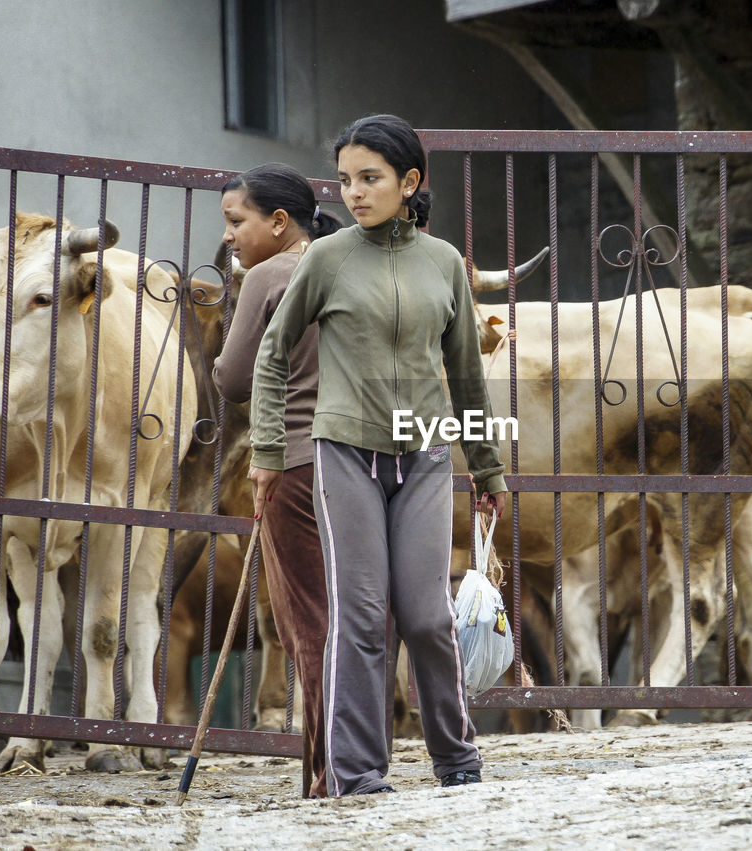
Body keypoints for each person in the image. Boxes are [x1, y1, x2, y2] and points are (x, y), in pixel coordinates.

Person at [248, 114, 508, 796]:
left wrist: (486, 465)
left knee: (426, 615)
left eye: (371, 178)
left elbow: (467, 376)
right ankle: (358, 773)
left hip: (423, 457)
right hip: (345, 458)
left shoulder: (445, 263)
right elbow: (273, 354)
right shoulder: (327, 260)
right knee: (361, 618)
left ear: (410, 181)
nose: (354, 193)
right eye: (346, 180)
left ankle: (457, 757)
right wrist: (269, 451)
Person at [212, 162, 342, 798]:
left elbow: (234, 382)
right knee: (362, 611)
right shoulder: (354, 262)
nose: (230, 238)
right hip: (370, 460)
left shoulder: (270, 275)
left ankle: (326, 768)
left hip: (294, 462)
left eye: (237, 222)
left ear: (280, 222)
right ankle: (366, 757)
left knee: (308, 619)